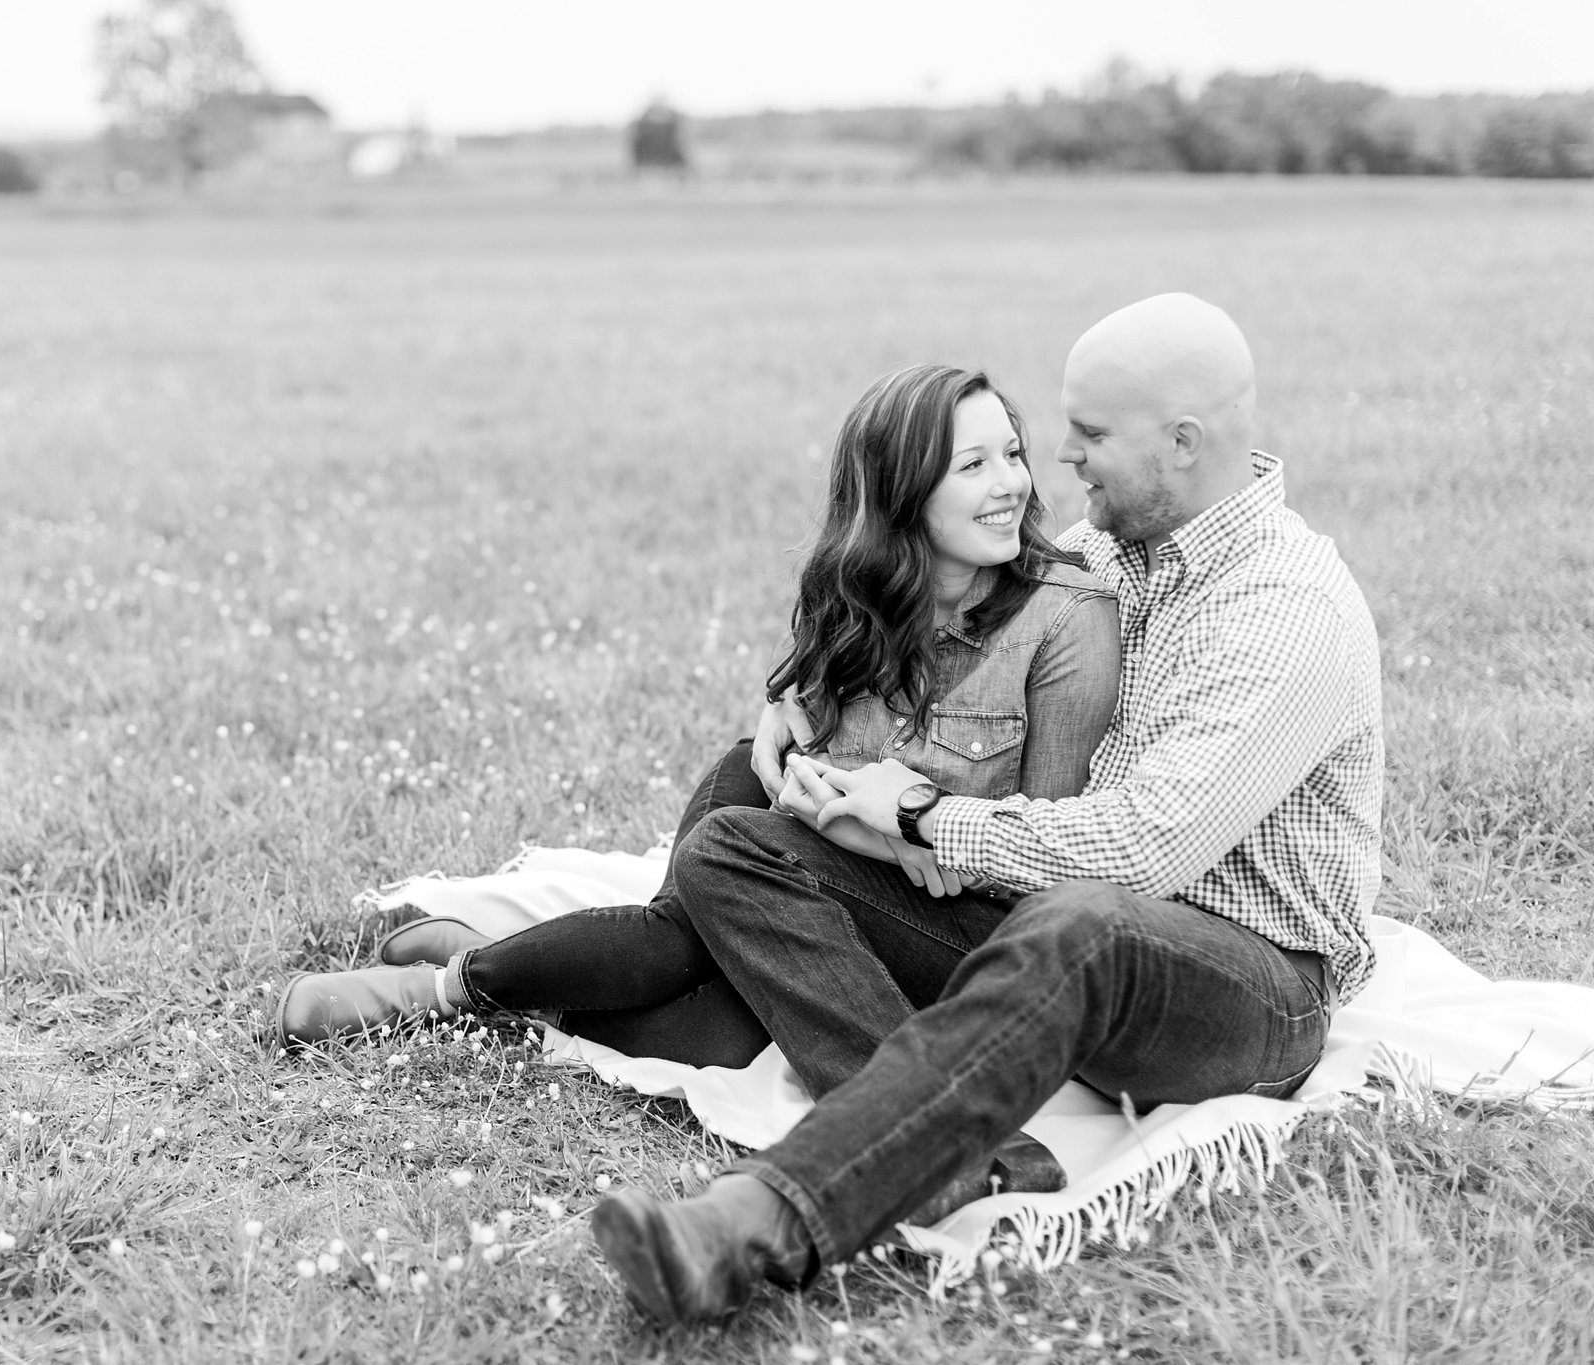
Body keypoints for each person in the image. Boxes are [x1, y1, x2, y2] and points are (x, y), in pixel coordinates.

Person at [587, 293, 1385, 1324]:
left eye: (1090, 435)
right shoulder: (1106, 555)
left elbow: (1142, 855)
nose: (1063, 458)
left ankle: (755, 1224)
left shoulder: (1284, 611)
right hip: (1061, 921)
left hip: (1249, 985)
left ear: (1181, 444)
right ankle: (967, 1150)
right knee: (737, 842)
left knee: (1079, 920)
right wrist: (793, 702)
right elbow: (914, 611)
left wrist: (918, 813)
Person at [275, 363, 1120, 1083]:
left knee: (704, 1037)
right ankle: (443, 987)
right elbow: (810, 730)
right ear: (902, 491)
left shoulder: (1065, 619)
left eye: (1011, 452)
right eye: (973, 464)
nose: (1011, 483)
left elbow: (1044, 874)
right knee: (680, 936)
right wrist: (791, 732)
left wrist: (894, 830)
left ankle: (467, 971)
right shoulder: (861, 589)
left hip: (935, 913)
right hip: (799, 851)